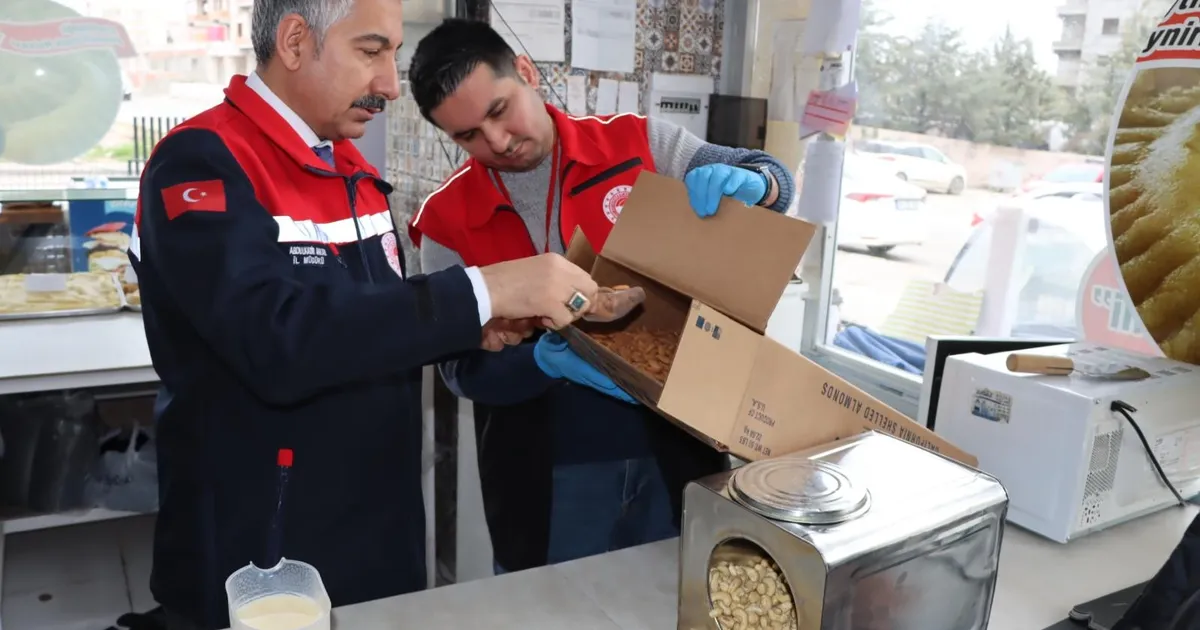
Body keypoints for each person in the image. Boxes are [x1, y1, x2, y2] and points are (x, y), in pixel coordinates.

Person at [128, 1, 602, 628]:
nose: (390, 84)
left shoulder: (350, 169)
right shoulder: (203, 162)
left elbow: (362, 318)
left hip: (376, 533)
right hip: (265, 549)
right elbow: (275, 341)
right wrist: (482, 291)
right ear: (295, 42)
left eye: (393, 55)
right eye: (372, 51)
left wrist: (470, 328)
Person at [406, 19, 797, 575]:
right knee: (553, 605)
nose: (497, 142)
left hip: (676, 451)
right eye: (468, 135)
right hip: (546, 475)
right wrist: (540, 361)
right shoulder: (446, 220)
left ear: (525, 72)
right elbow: (459, 371)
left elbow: (768, 177)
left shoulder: (637, 144)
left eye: (499, 111)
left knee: (681, 592)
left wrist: (761, 184)